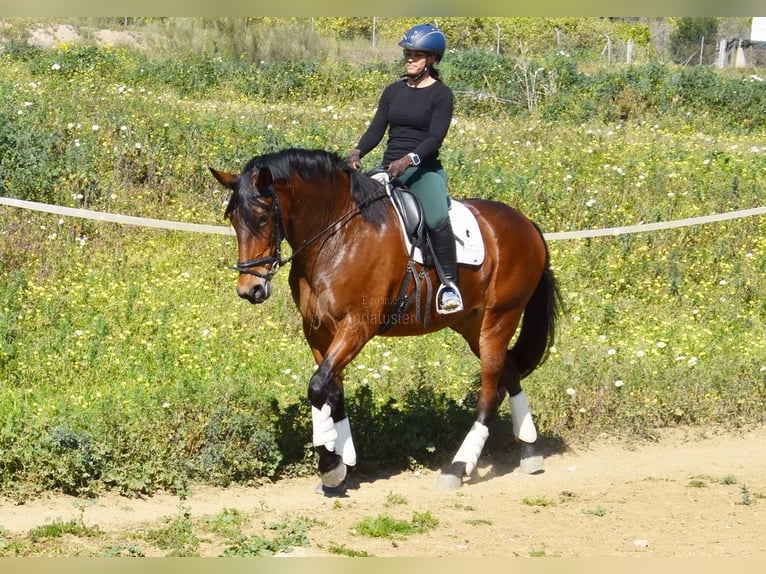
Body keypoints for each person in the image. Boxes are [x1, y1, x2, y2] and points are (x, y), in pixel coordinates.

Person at [347, 23, 463, 314]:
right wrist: (358, 150)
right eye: (407, 54)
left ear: (433, 59)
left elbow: (435, 138)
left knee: (436, 215)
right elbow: (377, 129)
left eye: (417, 55)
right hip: (389, 167)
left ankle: (450, 286)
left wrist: (409, 159)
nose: (409, 59)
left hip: (424, 170)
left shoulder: (441, 95)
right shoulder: (393, 91)